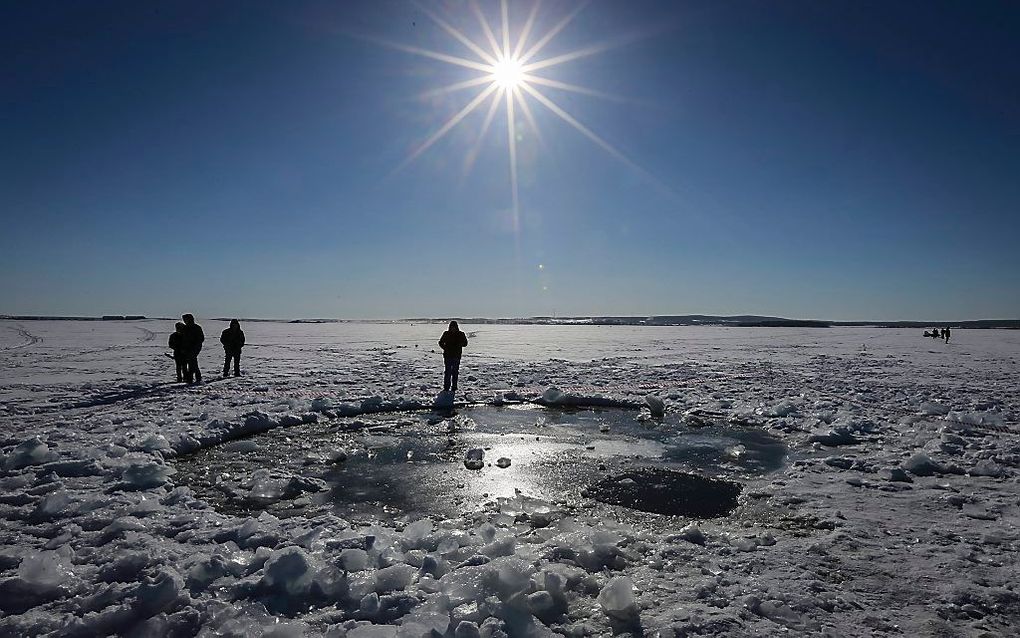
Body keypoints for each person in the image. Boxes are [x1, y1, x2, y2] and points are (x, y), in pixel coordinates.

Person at [438, 320, 468, 393]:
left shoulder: (461, 334)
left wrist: (459, 344)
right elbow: (440, 342)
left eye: (454, 327)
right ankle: (446, 387)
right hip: (448, 355)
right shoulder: (446, 333)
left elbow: (465, 343)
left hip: (456, 356)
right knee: (448, 372)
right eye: (452, 327)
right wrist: (445, 348)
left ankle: (454, 386)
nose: (453, 328)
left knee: (455, 372)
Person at [181, 313, 205, 383]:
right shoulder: (185, 328)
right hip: (187, 348)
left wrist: (194, 345)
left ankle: (192, 378)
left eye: (186, 319)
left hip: (195, 348)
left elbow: (201, 338)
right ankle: (196, 377)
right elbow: (183, 339)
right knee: (192, 362)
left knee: (192, 361)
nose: (185, 321)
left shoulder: (197, 328)